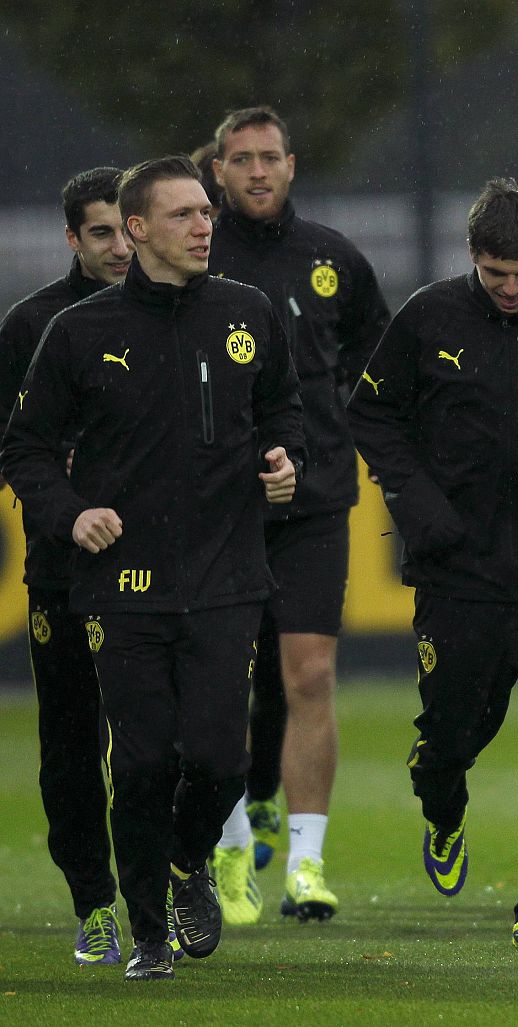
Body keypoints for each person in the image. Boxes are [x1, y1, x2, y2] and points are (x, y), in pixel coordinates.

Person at [3, 155, 305, 979]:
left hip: (227, 574)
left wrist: (285, 458)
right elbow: (24, 447)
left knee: (219, 759)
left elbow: (284, 406)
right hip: (122, 584)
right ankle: (145, 934)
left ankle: (183, 863)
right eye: (184, 215)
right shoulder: (78, 332)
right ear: (137, 230)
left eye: (206, 213)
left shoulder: (247, 313)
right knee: (138, 762)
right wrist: (72, 513)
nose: (205, 226)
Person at [347, 179, 518, 950]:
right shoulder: (428, 316)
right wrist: (421, 507)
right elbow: (372, 412)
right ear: (474, 257)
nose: (511, 289)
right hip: (457, 570)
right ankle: (443, 808)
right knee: (453, 735)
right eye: (497, 273)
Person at [206, 105, 390, 925]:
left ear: (290, 165)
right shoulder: (195, 258)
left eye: (269, 157)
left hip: (316, 499)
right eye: (240, 158)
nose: (256, 171)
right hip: (217, 504)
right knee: (219, 683)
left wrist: (336, 425)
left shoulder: (332, 258)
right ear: (217, 170)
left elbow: (373, 353)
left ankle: (307, 866)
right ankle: (235, 835)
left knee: (309, 673)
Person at [0, 166, 130, 966]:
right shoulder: (31, 325)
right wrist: (65, 510)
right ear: (73, 238)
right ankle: (95, 902)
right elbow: (12, 445)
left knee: (173, 740)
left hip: (170, 569)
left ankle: (170, 878)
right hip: (61, 570)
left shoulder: (187, 312)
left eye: (127, 228)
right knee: (73, 743)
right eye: (101, 232)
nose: (118, 246)